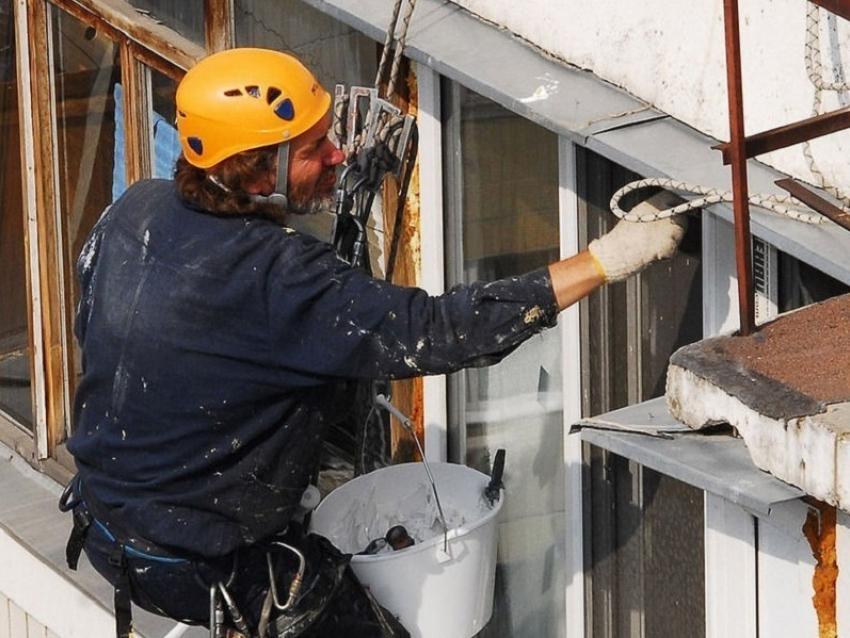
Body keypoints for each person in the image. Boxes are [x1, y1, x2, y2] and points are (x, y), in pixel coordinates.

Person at [60, 47, 685, 638]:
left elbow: (194, 344)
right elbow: (436, 333)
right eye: (314, 149)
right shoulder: (278, 277)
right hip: (204, 569)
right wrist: (606, 259)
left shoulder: (136, 210)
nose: (336, 156)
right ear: (255, 169)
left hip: (107, 525)